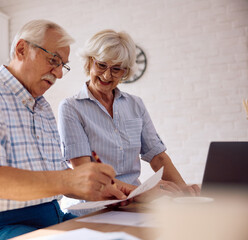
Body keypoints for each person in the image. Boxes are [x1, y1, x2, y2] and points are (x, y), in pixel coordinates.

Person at [0, 20, 134, 240]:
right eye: (53, 60)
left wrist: (120, 190)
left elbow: (60, 174)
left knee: (118, 232)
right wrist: (72, 181)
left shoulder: (42, 107)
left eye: (62, 65)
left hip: (49, 218)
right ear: (21, 49)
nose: (59, 73)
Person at [58, 30, 200, 213]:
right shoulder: (71, 107)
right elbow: (84, 172)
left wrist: (183, 190)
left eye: (116, 69)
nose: (107, 75)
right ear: (89, 62)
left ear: (124, 72)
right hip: (92, 208)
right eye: (101, 65)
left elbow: (158, 156)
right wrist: (143, 193)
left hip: (133, 205)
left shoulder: (135, 105)